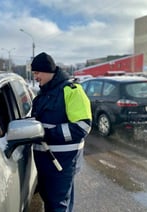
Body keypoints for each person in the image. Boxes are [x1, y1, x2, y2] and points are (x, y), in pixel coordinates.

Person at [30, 52, 92, 212]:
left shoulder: (72, 91)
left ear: (47, 71)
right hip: (46, 161)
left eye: (37, 73)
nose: (35, 77)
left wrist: (46, 133)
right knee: (53, 202)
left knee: (58, 206)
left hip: (62, 162)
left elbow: (83, 126)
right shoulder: (45, 92)